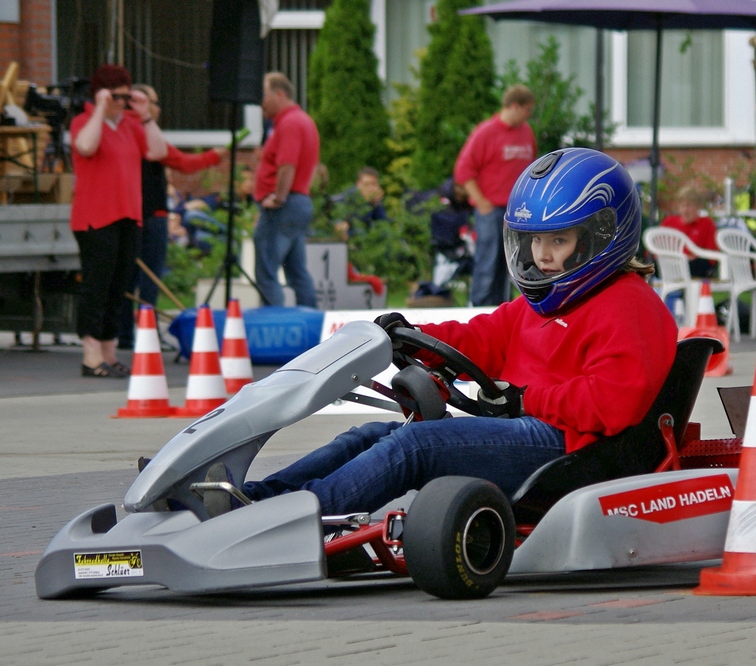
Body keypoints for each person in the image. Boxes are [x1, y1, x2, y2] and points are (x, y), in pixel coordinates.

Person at [204, 147, 678, 518]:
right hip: (523, 427)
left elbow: (613, 403)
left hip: (568, 447)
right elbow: (481, 337)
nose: (542, 255)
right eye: (534, 240)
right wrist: (408, 335)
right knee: (368, 435)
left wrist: (524, 399)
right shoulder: (547, 303)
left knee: (414, 447)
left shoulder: (628, 306)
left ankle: (286, 519)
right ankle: (249, 500)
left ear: (599, 235)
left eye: (558, 239)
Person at [70, 64, 167, 378]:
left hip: (128, 215)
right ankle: (90, 354)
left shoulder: (130, 126)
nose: (122, 102)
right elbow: (85, 146)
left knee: (119, 285)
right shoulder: (84, 122)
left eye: (126, 96)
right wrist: (100, 108)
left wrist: (145, 114)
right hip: (95, 217)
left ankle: (108, 353)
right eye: (116, 95)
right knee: (97, 286)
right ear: (101, 93)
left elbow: (157, 150)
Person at [118, 84, 227, 349]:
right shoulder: (144, 133)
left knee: (126, 278)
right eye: (154, 102)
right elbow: (183, 162)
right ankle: (146, 333)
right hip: (151, 215)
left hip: (128, 215)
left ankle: (124, 335)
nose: (158, 108)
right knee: (150, 278)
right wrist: (216, 155)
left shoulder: (123, 131)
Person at [454, 85, 537, 306]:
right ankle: (479, 307)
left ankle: (501, 307)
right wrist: (480, 201)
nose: (529, 115)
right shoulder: (486, 133)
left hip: (517, 211)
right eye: (527, 110)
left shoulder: (526, 132)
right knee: (487, 261)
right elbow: (464, 170)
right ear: (515, 106)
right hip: (491, 209)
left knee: (510, 263)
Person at [253, 71, 319, 308]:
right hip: (299, 201)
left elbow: (287, 165)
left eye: (264, 95)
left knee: (267, 271)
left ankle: (274, 326)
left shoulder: (289, 123)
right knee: (296, 270)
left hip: (285, 204)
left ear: (279, 94)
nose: (261, 102)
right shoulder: (303, 120)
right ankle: (312, 324)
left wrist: (278, 197)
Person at [660, 184, 720, 278]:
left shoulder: (707, 223)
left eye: (689, 206)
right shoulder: (669, 222)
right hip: (670, 263)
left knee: (699, 264)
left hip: (695, 264)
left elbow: (712, 254)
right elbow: (655, 248)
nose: (685, 210)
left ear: (698, 207)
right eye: (682, 206)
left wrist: (692, 256)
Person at [332, 166, 388, 240]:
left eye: (374, 184)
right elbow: (356, 221)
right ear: (358, 184)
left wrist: (376, 204)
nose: (371, 188)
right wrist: (365, 203)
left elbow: (383, 224)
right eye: (367, 184)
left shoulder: (373, 200)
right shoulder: (348, 198)